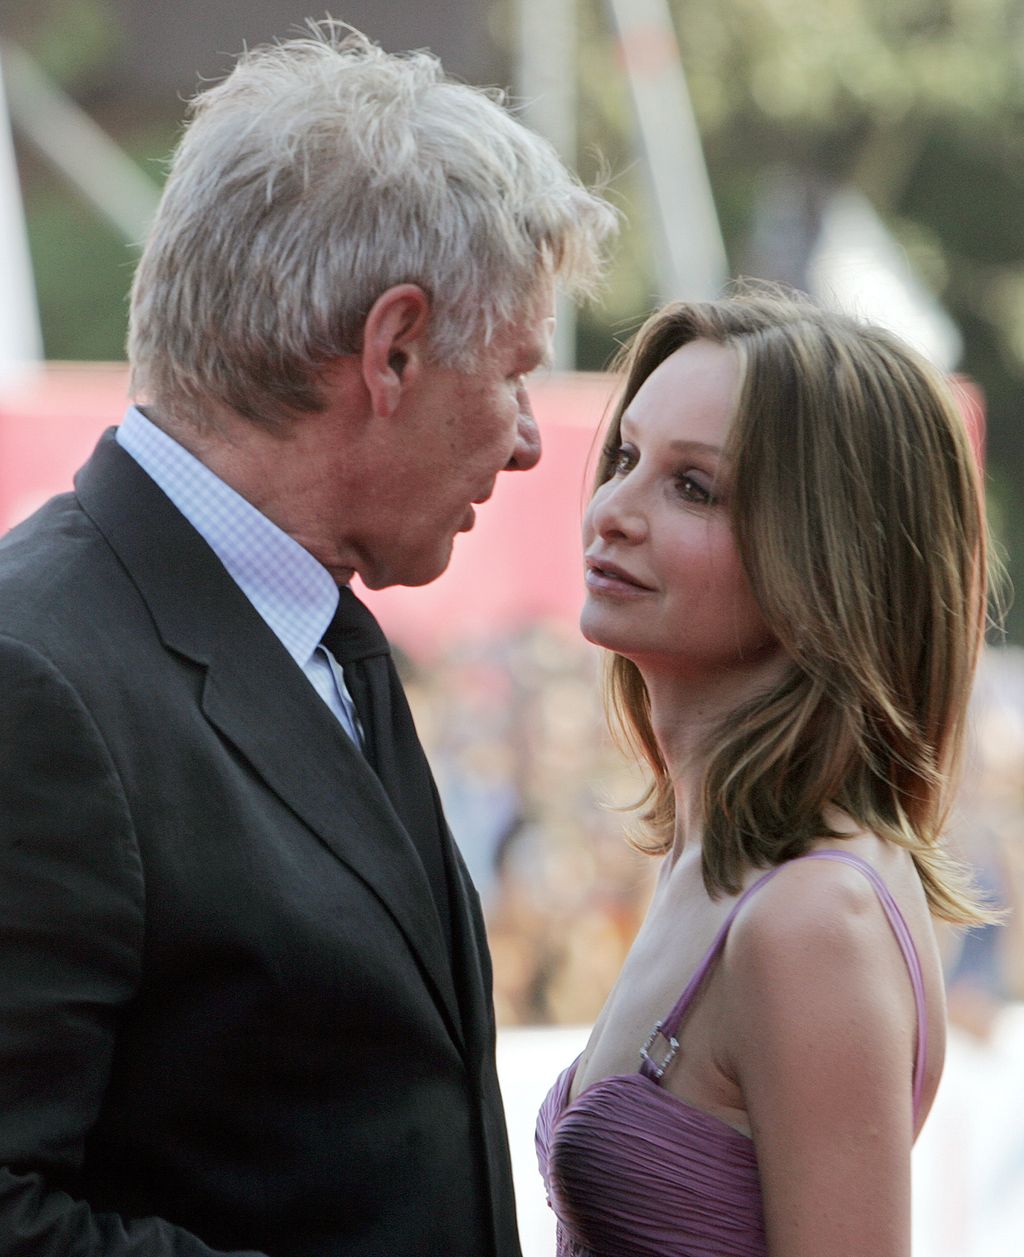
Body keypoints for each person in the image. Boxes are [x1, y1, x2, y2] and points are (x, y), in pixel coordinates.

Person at [0, 20, 615, 1257]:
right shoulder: (38, 677)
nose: (532, 441)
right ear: (391, 350)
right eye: (513, 375)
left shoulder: (312, 632)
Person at [536, 290, 997, 1256]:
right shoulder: (712, 853)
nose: (612, 511)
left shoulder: (809, 916)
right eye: (625, 458)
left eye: (694, 488)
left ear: (828, 561)